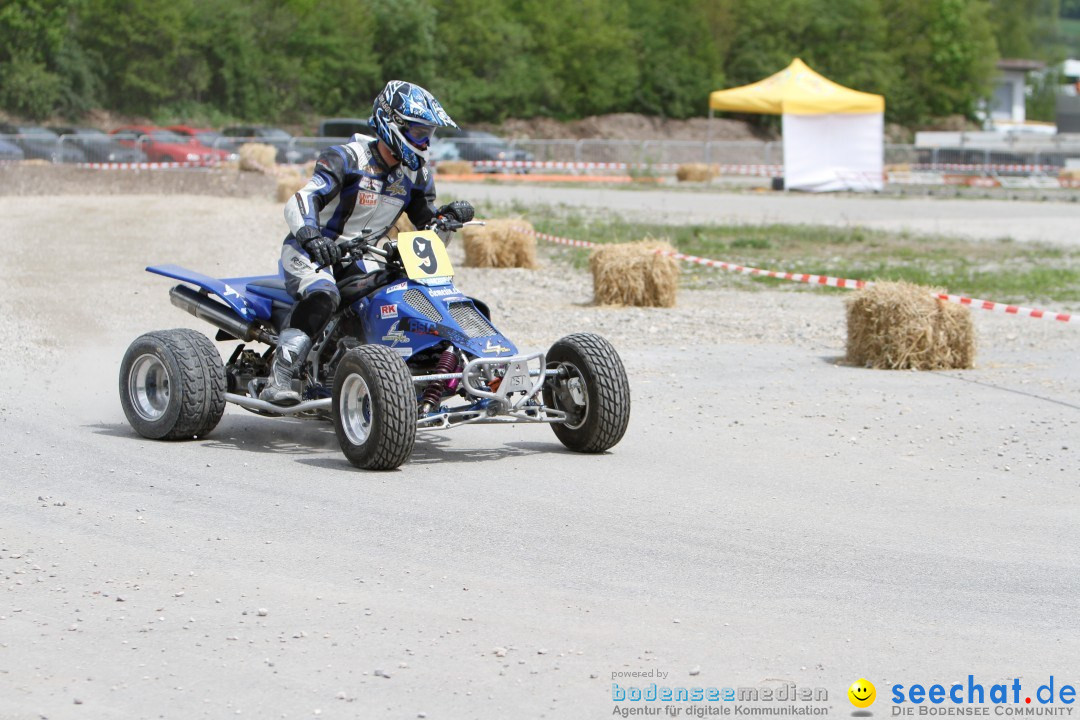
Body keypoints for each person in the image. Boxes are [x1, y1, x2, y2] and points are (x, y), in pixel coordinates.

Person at [260, 80, 475, 404]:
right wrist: (312, 237)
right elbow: (302, 199)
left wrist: (446, 221)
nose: (425, 142)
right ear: (392, 125)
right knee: (323, 294)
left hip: (363, 255)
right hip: (311, 251)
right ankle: (279, 379)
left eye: (428, 134)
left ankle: (412, 366)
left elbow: (426, 228)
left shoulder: (416, 176)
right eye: (419, 133)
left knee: (410, 290)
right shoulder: (347, 158)